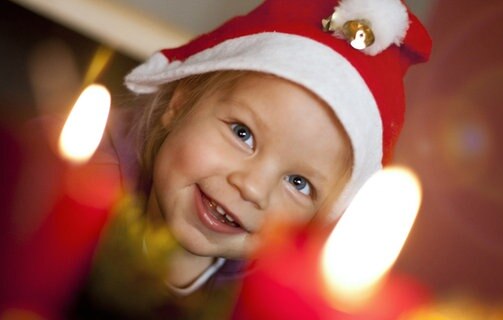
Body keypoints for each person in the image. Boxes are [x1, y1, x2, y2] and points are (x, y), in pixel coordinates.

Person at [1, 0, 431, 318]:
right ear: (180, 101)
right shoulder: (64, 189)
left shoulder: (258, 304)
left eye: (299, 183)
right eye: (242, 134)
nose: (252, 186)